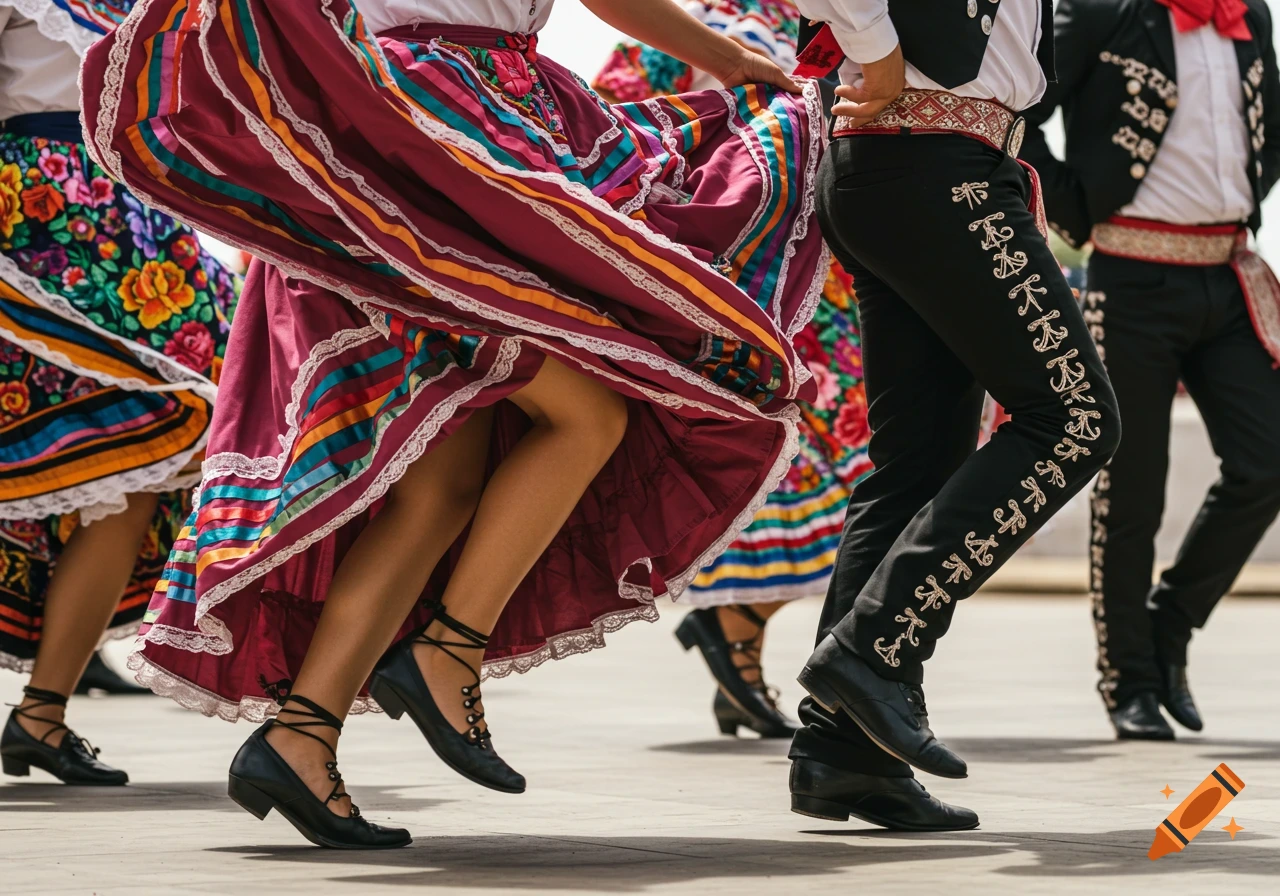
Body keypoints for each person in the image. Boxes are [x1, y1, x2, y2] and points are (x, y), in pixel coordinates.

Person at [81, 0, 826, 848]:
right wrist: (728, 57)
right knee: (586, 420)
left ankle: (302, 737)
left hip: (394, 127)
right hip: (437, 140)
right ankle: (447, 650)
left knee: (439, 486)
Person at [785, 0, 1121, 830]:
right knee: (1075, 418)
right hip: (935, 165)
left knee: (916, 469)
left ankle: (842, 757)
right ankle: (874, 650)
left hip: (917, 166)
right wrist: (877, 51)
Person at [595, 0, 872, 740]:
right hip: (746, 288)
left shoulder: (834, 21)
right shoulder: (695, 27)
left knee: (855, 478)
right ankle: (739, 641)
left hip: (828, 282)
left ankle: (739, 641)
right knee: (794, 474)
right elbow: (619, 126)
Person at [1023, 0, 1280, 740]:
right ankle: (1128, 677)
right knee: (1131, 490)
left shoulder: (1250, 15)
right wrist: (1072, 211)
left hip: (1226, 271)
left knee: (1266, 464)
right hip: (1130, 274)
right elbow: (1022, 109)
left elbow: (1262, 124)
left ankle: (1170, 625)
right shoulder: (1104, 11)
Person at [0, 0, 239, 784]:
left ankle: (44, 712)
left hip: (139, 229)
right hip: (38, 216)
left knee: (157, 447)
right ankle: (43, 711)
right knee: (161, 428)